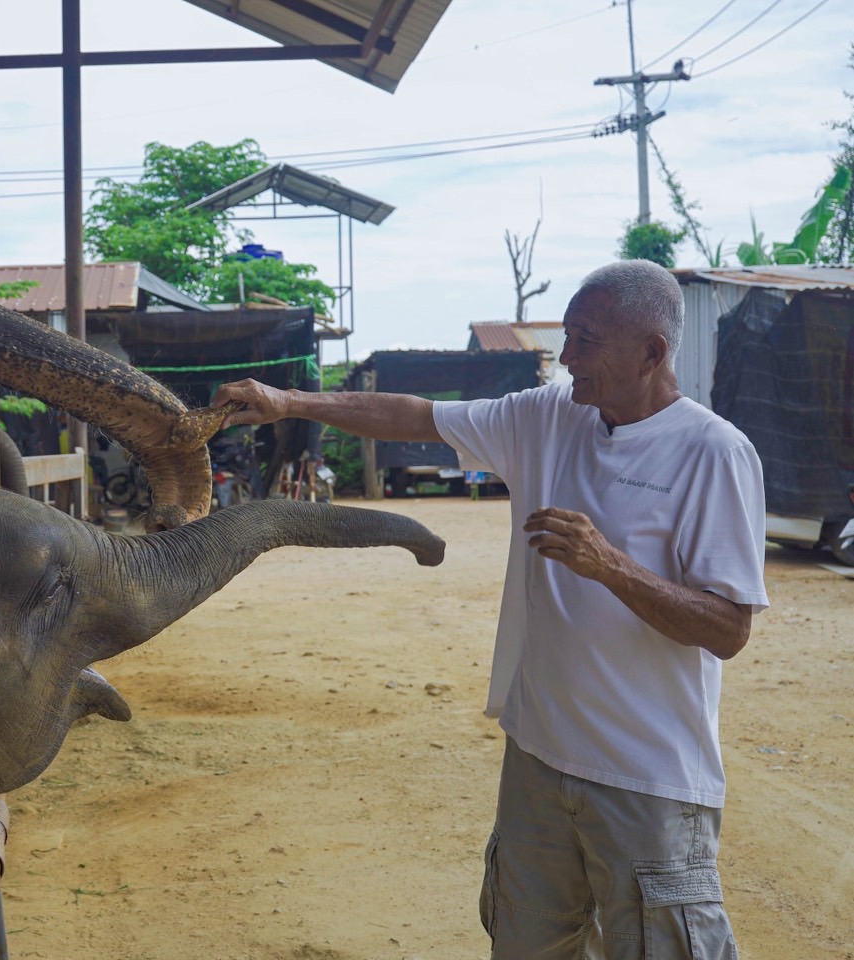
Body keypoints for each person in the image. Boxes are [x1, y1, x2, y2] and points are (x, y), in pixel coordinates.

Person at [213, 259, 768, 960]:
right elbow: (414, 415)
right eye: (566, 336)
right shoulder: (548, 416)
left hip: (646, 779)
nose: (566, 358)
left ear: (651, 352)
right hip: (537, 758)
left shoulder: (713, 453)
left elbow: (727, 628)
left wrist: (611, 567)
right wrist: (288, 401)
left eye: (585, 340)